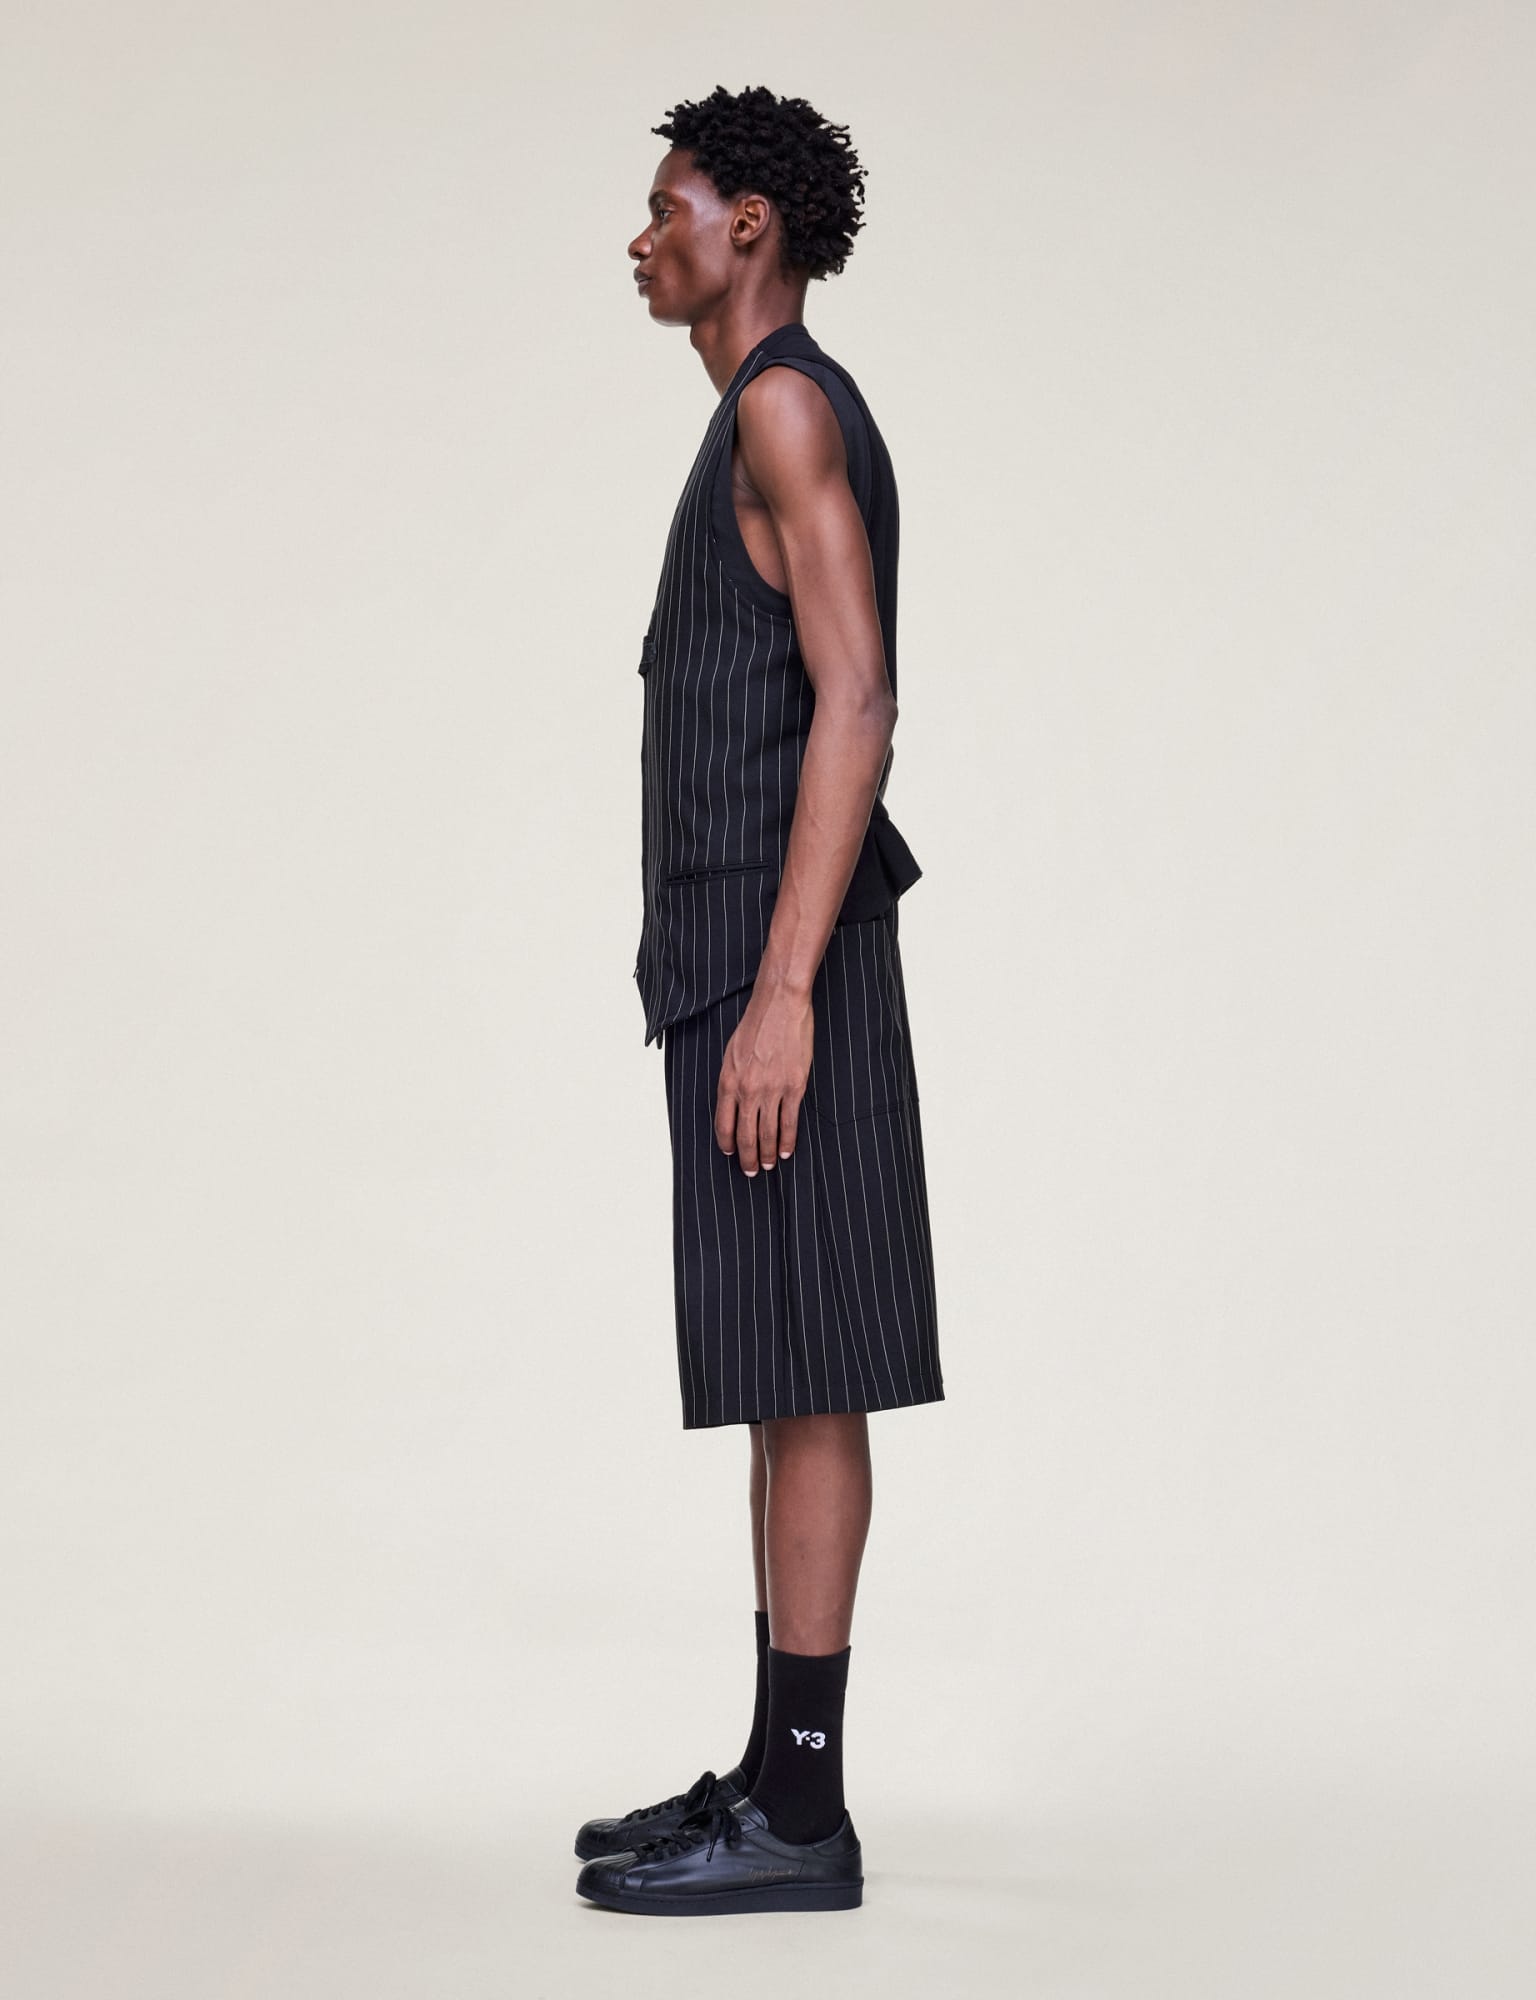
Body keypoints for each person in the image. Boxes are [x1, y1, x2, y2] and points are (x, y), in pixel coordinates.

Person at [574, 85, 943, 1919]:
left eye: (671, 207)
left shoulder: (787, 405)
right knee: (785, 1370)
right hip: (738, 962)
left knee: (813, 1374)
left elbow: (857, 700)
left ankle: (804, 1816)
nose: (642, 238)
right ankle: (777, 1772)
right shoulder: (755, 415)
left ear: (752, 230)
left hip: (778, 963)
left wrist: (785, 990)